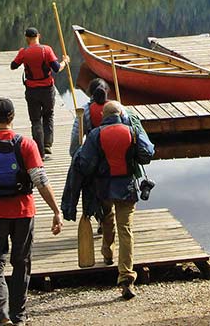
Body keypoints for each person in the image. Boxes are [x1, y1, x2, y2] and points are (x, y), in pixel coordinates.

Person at [0, 98, 62, 326]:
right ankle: (18, 317)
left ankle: (0, 318)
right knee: (21, 263)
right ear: (12, 118)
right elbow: (40, 180)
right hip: (23, 212)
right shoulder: (27, 145)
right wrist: (56, 211)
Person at [64, 100, 154, 300]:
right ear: (121, 114)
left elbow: (85, 165)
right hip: (127, 188)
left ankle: (107, 253)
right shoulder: (131, 130)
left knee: (106, 220)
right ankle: (126, 277)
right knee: (126, 230)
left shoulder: (95, 135)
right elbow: (147, 154)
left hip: (103, 188)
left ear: (103, 116)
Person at [10, 27, 69, 157]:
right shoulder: (46, 50)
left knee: (36, 120)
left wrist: (22, 59)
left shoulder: (23, 52)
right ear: (39, 36)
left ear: (26, 38)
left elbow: (13, 66)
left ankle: (40, 151)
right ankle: (47, 144)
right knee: (48, 115)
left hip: (31, 90)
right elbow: (57, 68)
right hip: (47, 89)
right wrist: (65, 62)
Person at [69, 77, 111, 157]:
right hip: (113, 148)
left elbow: (76, 135)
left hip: (93, 150)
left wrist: (74, 153)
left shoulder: (84, 110)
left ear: (90, 92)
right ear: (107, 91)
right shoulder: (116, 107)